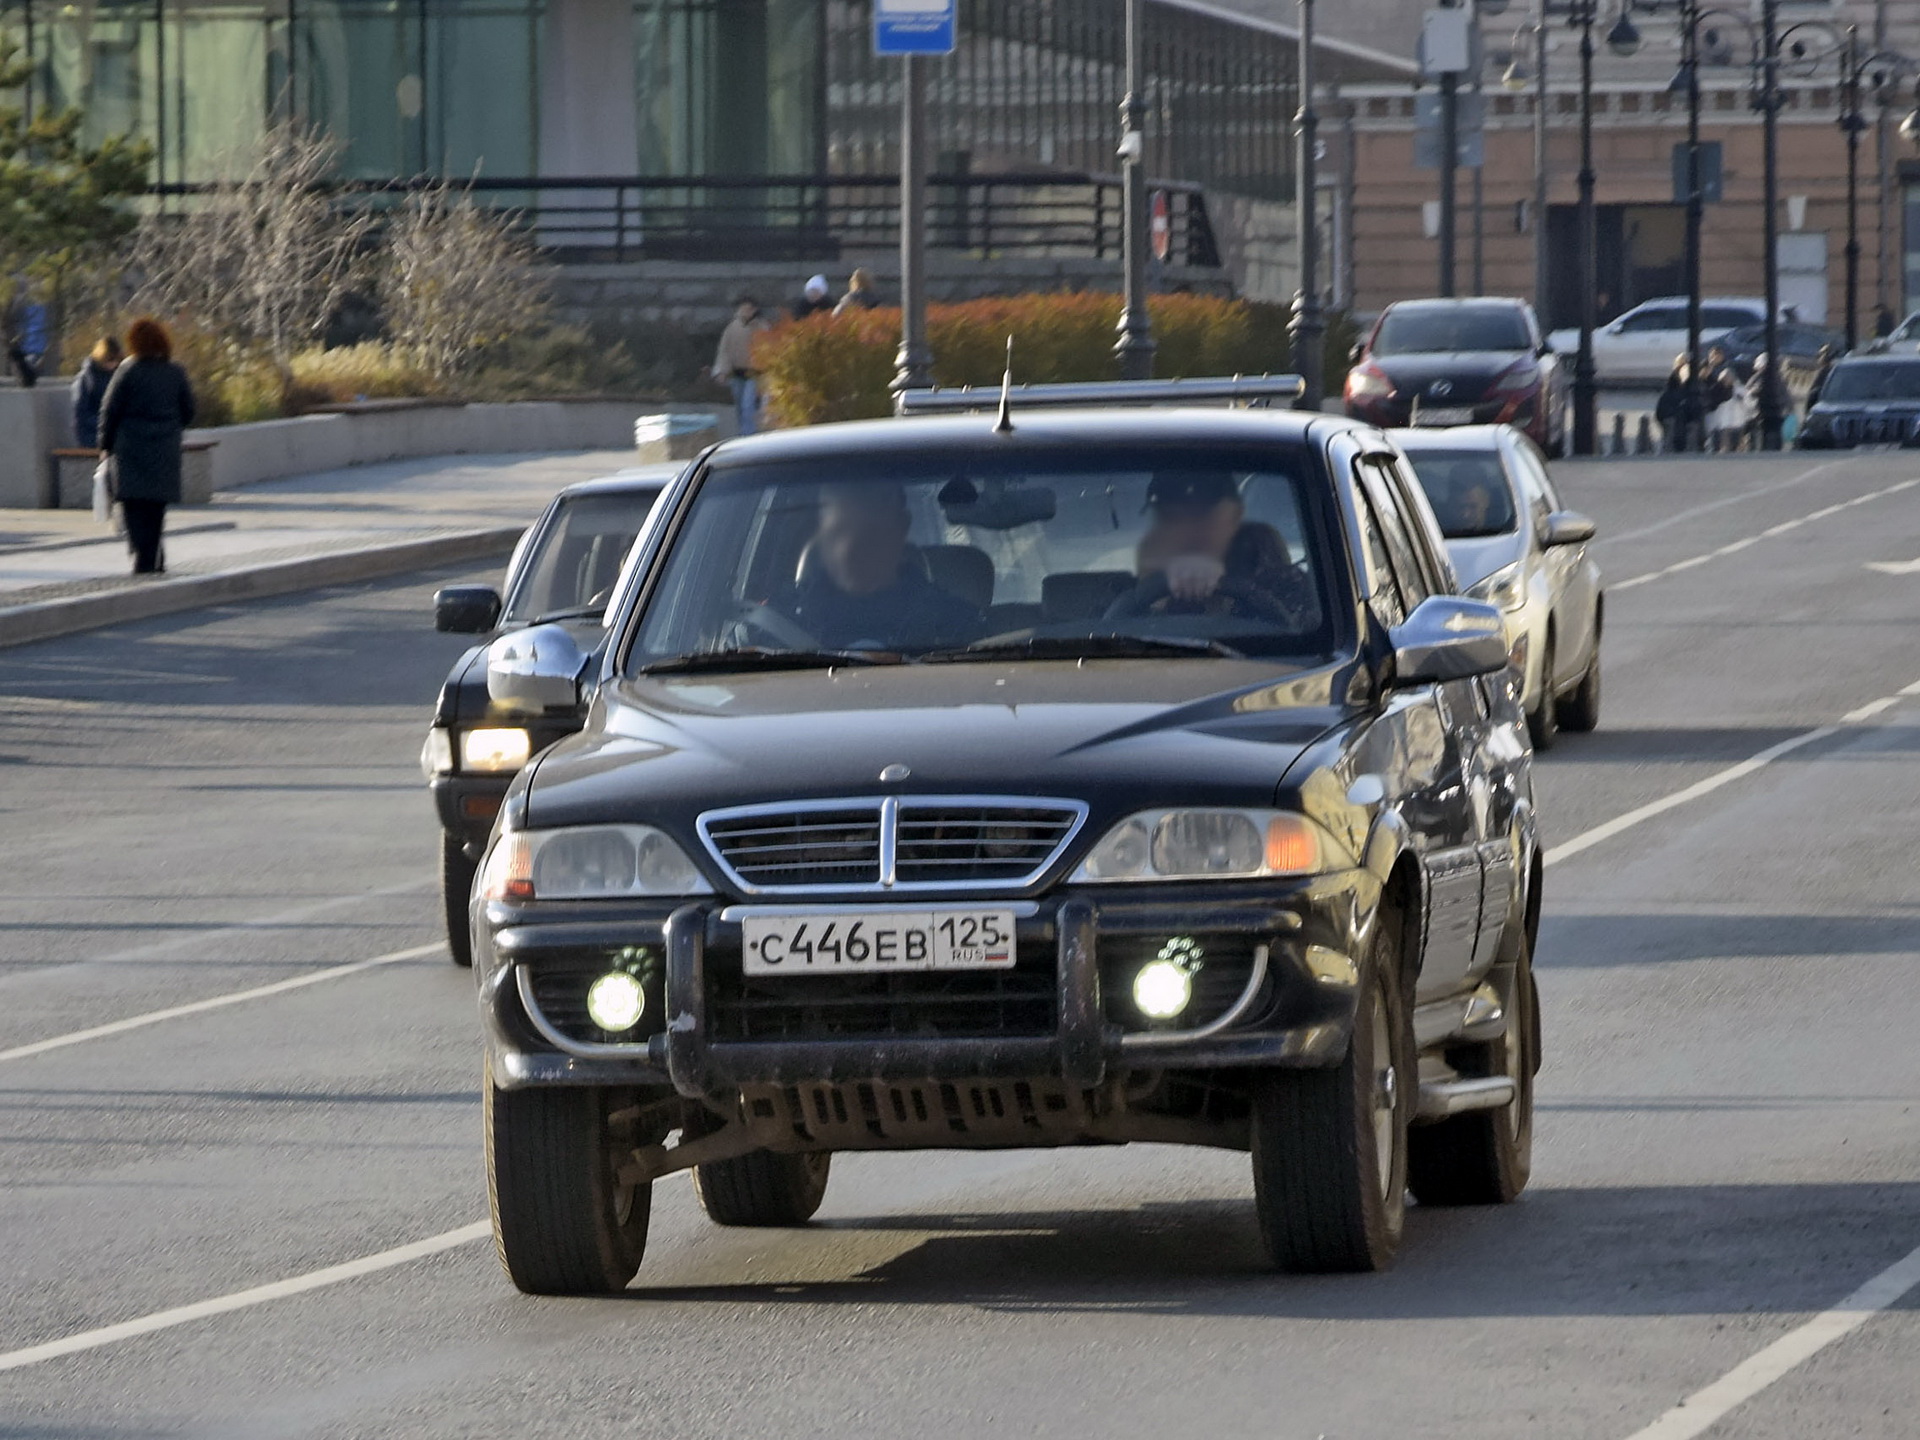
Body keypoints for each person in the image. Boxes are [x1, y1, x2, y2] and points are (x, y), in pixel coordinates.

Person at [784, 483, 981, 650]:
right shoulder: (784, 620)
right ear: (818, 537)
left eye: (868, 533)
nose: (849, 549)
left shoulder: (956, 625)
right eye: (839, 531)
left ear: (902, 527)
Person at [1127, 471, 1315, 624]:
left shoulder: (1281, 581)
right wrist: (1161, 597)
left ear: (1235, 514)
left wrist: (1230, 590)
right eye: (1170, 517)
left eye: (1201, 515)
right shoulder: (1148, 557)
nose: (1186, 530)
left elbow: (1305, 633)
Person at [98, 317, 196, 576]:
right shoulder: (175, 372)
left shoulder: (128, 371)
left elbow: (110, 410)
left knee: (133, 507)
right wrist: (171, 428)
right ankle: (153, 554)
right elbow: (189, 410)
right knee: (155, 508)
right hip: (164, 449)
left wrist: (105, 445)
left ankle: (143, 557)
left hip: (131, 449)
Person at [710, 296, 768, 437]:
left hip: (755, 373)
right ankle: (743, 432)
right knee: (740, 407)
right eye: (742, 308)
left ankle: (748, 435)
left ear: (754, 310)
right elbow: (724, 351)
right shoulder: (732, 328)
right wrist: (721, 371)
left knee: (748, 405)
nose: (745, 311)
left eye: (748, 309)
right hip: (736, 373)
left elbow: (769, 350)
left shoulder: (762, 327)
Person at [70, 336, 124, 449]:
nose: (113, 364)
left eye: (116, 360)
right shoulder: (86, 379)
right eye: (110, 360)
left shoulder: (116, 376)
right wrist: (105, 423)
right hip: (91, 436)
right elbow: (81, 414)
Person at [1655, 354, 1691, 452]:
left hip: (1673, 412)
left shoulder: (1678, 379)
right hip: (1670, 412)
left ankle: (1671, 448)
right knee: (1670, 435)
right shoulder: (1675, 380)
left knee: (1672, 435)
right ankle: (1669, 449)